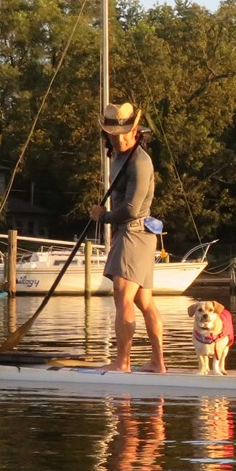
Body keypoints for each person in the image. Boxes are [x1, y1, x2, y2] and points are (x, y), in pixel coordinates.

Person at [89, 102, 166, 374]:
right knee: (144, 302)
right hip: (131, 235)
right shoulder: (118, 157)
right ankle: (157, 363)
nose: (119, 138)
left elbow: (131, 209)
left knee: (122, 300)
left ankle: (122, 363)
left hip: (135, 234)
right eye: (113, 134)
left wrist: (103, 217)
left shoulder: (140, 162)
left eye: (124, 133)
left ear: (135, 130)